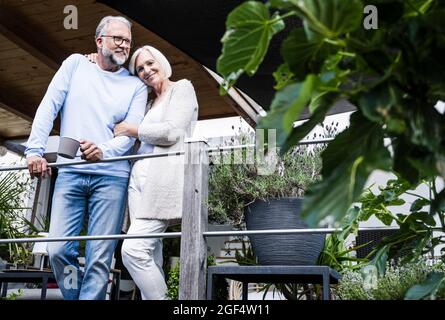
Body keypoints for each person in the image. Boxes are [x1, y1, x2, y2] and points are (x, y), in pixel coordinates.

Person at [24, 16, 147, 300]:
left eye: (127, 40)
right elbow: (48, 107)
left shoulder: (136, 86)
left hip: (112, 177)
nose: (124, 45)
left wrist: (103, 150)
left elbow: (128, 136)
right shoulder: (76, 64)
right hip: (70, 172)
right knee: (58, 249)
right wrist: (34, 150)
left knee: (99, 257)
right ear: (99, 40)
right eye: (118, 38)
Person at [87, 45, 199, 299]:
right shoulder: (148, 103)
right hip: (137, 182)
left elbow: (174, 131)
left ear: (161, 62)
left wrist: (132, 129)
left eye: (150, 63)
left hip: (161, 182)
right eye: (139, 69)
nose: (146, 71)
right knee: (150, 253)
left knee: (133, 251)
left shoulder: (182, 88)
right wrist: (95, 61)